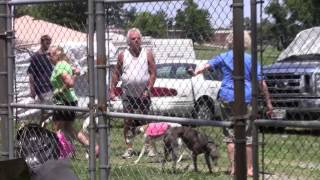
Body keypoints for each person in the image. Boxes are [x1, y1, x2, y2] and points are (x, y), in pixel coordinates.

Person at [190, 31, 273, 176]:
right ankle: (248, 169)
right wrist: (268, 102)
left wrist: (196, 71)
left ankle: (234, 167)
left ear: (229, 42)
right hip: (245, 98)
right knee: (248, 135)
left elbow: (206, 66)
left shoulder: (224, 56)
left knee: (230, 134)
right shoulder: (251, 59)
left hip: (227, 97)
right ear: (246, 42)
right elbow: (261, 83)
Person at [109, 28, 156, 159]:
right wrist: (112, 90)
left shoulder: (147, 54)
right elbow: (116, 73)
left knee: (145, 120)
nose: (136, 41)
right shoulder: (123, 55)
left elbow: (153, 73)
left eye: (138, 38)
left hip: (144, 93)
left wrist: (148, 89)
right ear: (128, 41)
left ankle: (149, 147)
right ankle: (129, 148)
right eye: (133, 39)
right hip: (128, 94)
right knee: (127, 121)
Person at [49, 46, 99, 156]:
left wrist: (59, 91)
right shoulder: (66, 64)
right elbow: (75, 73)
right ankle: (92, 146)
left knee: (56, 128)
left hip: (63, 101)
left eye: (50, 54)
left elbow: (70, 83)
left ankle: (59, 152)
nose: (49, 57)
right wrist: (74, 75)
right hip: (70, 100)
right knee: (69, 128)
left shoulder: (59, 66)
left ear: (57, 55)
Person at [27, 35, 53, 122]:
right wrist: (32, 90)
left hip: (50, 85)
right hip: (42, 87)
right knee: (49, 111)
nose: (48, 45)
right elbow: (31, 74)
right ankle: (45, 129)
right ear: (41, 42)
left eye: (49, 43)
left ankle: (41, 128)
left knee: (46, 111)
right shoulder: (36, 57)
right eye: (46, 43)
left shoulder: (50, 56)